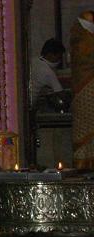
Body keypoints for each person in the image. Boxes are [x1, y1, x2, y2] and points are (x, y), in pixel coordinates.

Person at [71, 11, 94, 169]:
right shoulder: (81, 39)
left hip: (89, 87)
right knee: (85, 126)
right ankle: (82, 163)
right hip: (85, 89)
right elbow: (86, 59)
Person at [30, 38, 66, 108]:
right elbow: (62, 94)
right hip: (31, 105)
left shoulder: (33, 61)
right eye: (58, 57)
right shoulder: (48, 72)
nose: (59, 60)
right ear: (50, 54)